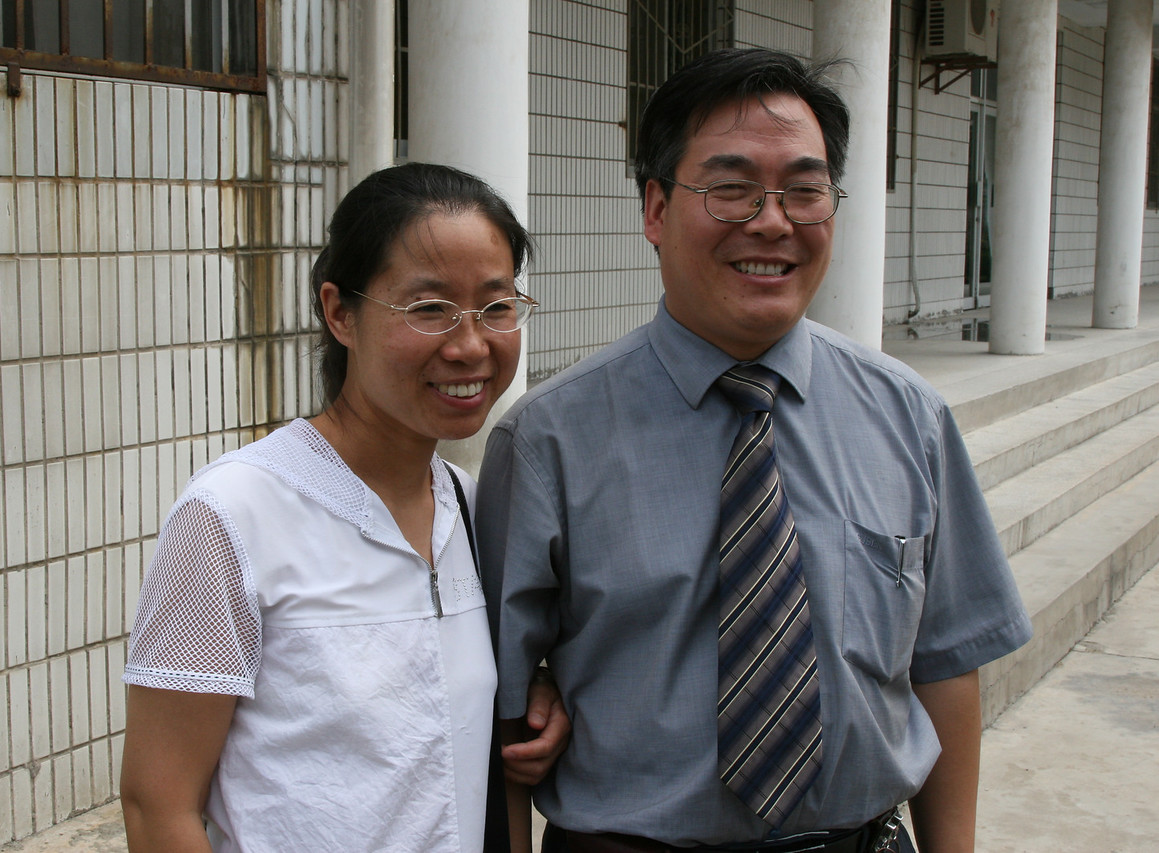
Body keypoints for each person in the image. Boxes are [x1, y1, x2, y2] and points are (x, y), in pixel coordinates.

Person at [477, 48, 1032, 853]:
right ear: (657, 208)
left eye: (804, 191)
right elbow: (496, 709)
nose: (771, 222)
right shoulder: (546, 441)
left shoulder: (908, 416)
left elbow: (944, 663)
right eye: (731, 188)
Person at [119, 162, 568, 852]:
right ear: (339, 312)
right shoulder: (234, 513)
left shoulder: (470, 510)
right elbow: (159, 806)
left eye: (496, 305)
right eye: (428, 309)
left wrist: (539, 691)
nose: (470, 344)